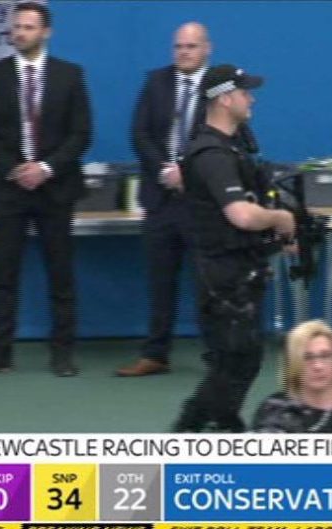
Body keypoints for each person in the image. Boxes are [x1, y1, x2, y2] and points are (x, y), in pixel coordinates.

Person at [0, 1, 92, 377]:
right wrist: (15, 168)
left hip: (56, 187)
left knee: (60, 273)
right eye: (16, 26)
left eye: (28, 26)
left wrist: (47, 167)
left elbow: (81, 133)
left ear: (46, 32)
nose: (20, 32)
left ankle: (62, 354)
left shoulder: (70, 76)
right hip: (9, 188)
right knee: (4, 273)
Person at [170, 64, 295, 432]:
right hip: (223, 279)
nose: (251, 98)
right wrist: (279, 220)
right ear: (225, 99)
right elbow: (240, 214)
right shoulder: (212, 154)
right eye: (244, 92)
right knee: (233, 362)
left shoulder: (232, 148)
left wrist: (276, 238)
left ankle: (222, 426)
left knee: (242, 360)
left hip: (240, 271)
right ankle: (191, 432)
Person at [116, 22, 212, 377]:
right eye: (178, 47)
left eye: (190, 46)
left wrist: (190, 172)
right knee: (160, 282)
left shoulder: (221, 88)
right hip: (160, 199)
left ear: (206, 49)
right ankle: (155, 354)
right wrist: (164, 170)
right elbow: (139, 133)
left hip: (202, 203)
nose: (183, 52)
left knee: (208, 284)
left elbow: (229, 138)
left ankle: (215, 356)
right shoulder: (156, 82)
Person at [252, 320, 332, 433]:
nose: (318, 366)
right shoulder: (274, 409)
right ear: (293, 362)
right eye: (307, 357)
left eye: (325, 356)